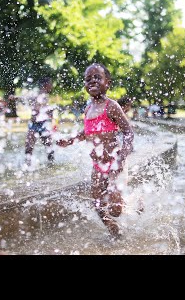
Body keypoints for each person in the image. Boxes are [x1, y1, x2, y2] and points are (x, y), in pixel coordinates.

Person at [56, 63, 134, 239]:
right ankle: (113, 229)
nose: (92, 80)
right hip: (97, 165)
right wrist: (70, 141)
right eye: (88, 78)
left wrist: (124, 154)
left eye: (97, 77)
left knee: (116, 209)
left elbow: (128, 132)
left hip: (115, 162)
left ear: (108, 83)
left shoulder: (112, 106)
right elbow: (87, 132)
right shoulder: (88, 109)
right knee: (97, 203)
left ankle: (132, 203)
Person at [13, 77, 55, 166]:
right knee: (31, 147)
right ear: (46, 85)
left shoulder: (44, 95)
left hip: (43, 123)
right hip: (35, 124)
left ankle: (50, 165)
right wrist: (16, 97)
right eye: (50, 83)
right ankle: (29, 165)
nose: (51, 85)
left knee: (47, 147)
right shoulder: (38, 94)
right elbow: (26, 98)